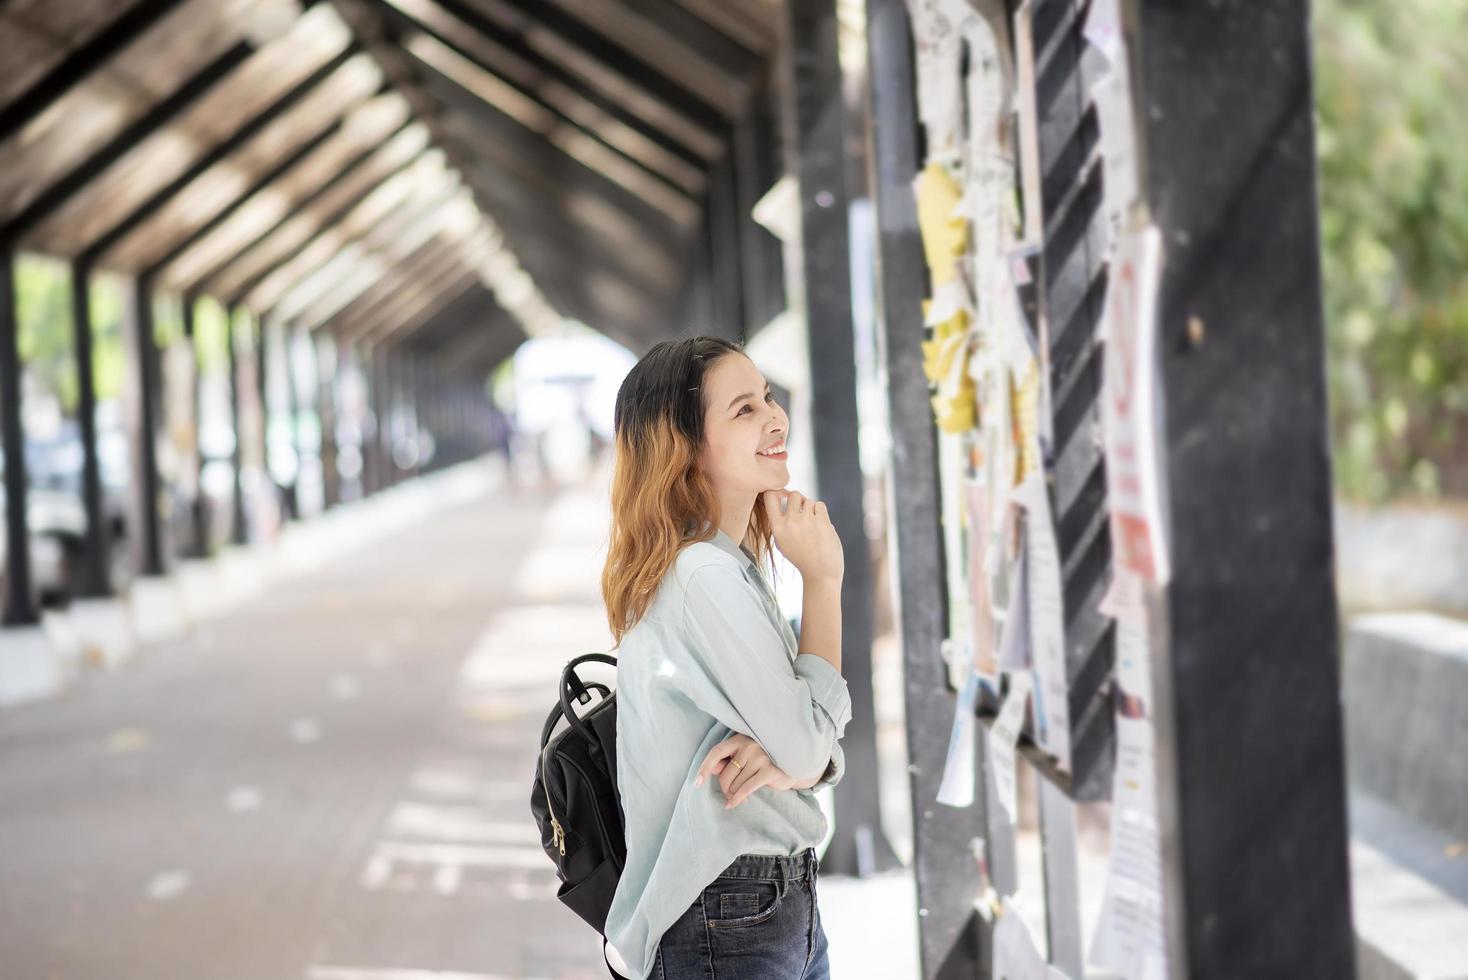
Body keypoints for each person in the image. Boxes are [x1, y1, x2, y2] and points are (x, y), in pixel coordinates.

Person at [601, 336, 851, 980]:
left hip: (760, 903)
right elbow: (806, 747)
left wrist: (803, 755)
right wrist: (824, 583)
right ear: (684, 449)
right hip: (728, 910)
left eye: (767, 396)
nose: (775, 416)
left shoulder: (725, 566)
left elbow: (803, 746)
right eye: (743, 409)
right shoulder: (703, 574)